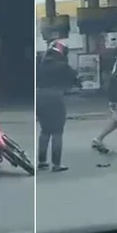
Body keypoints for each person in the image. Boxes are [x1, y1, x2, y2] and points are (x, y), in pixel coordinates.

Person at [36, 40, 80, 172]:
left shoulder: (40, 65)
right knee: (57, 131)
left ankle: (42, 161)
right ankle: (56, 164)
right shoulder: (62, 65)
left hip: (39, 96)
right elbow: (74, 78)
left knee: (45, 131)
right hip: (55, 97)